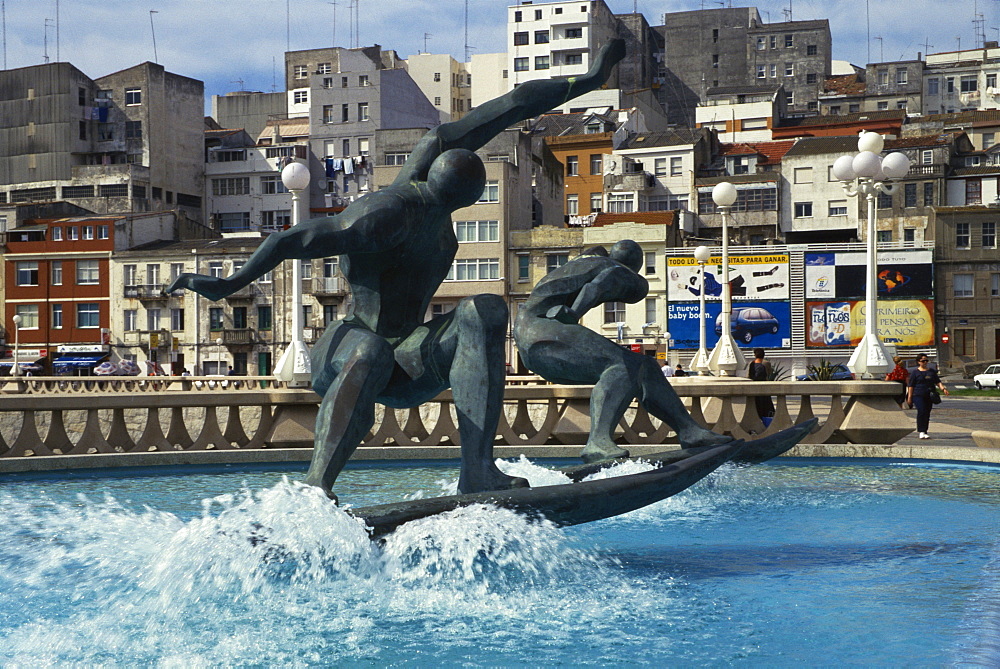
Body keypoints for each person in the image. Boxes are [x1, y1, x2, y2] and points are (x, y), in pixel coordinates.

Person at [167, 39, 628, 500]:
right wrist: (231, 282)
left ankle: (478, 471)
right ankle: (317, 487)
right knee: (370, 351)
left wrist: (586, 82)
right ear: (471, 197)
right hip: (347, 350)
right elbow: (296, 239)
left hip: (410, 354)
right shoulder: (386, 211)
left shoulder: (431, 181)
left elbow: (506, 108)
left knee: (485, 310)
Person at [513, 241, 735, 463]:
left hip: (528, 334)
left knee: (646, 367)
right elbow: (601, 284)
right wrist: (574, 312)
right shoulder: (616, 269)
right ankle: (598, 442)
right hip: (542, 329)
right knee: (621, 366)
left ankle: (690, 432)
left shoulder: (584, 261)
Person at [906, 354, 949, 439]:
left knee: (927, 412)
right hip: (918, 395)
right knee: (921, 411)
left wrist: (943, 389)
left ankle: (925, 431)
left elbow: (937, 381)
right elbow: (911, 385)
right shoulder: (915, 372)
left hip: (929, 395)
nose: (925, 362)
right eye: (923, 361)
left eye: (926, 360)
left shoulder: (931, 371)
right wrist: (909, 397)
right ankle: (921, 431)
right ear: (918, 362)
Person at [747, 347, 774, 421]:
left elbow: (749, 376)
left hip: (754, 388)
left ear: (755, 355)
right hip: (764, 388)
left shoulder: (751, 364)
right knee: (766, 407)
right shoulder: (766, 363)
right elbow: (769, 374)